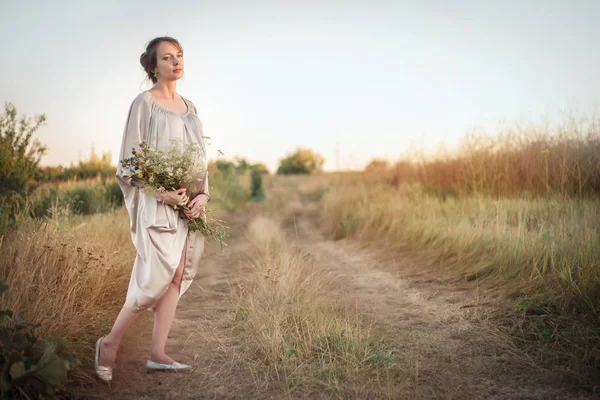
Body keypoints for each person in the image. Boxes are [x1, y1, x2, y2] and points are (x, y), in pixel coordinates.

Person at [94, 36, 211, 383]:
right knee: (153, 281)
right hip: (158, 204)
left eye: (179, 56)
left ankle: (158, 354)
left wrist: (202, 196)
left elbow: (200, 161)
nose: (176, 62)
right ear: (152, 66)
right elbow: (130, 164)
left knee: (176, 275)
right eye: (167, 57)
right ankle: (109, 344)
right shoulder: (144, 104)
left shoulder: (191, 108)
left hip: (187, 206)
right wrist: (164, 195)